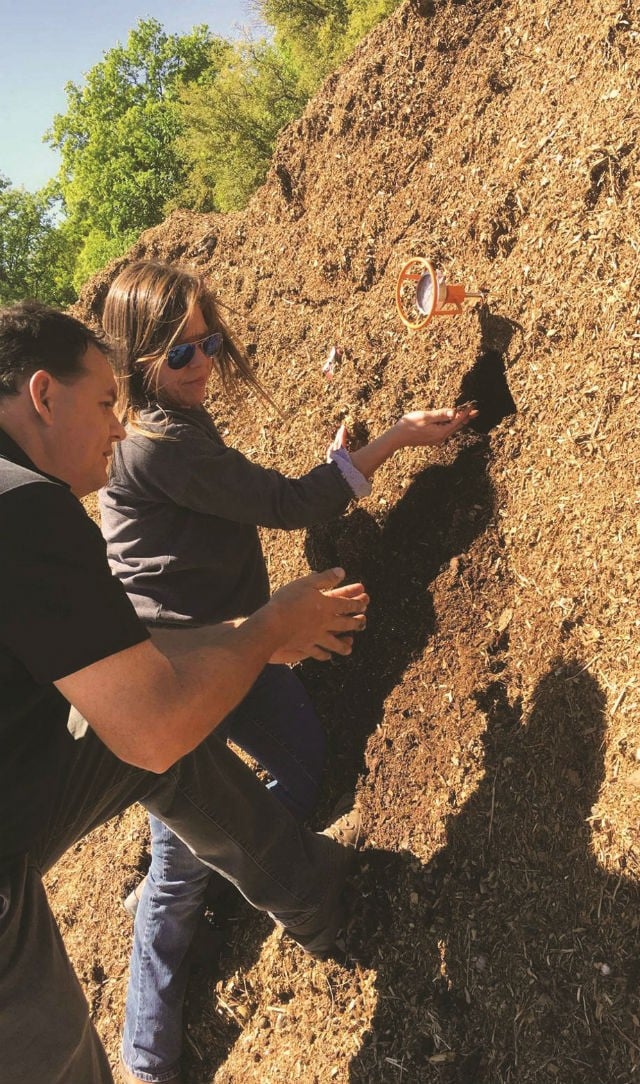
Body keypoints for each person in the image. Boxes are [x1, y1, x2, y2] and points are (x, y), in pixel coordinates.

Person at [98, 259, 477, 1084]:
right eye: (181, 353)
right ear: (138, 364)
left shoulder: (175, 423)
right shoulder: (156, 443)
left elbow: (259, 500)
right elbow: (285, 506)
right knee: (175, 864)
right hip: (184, 666)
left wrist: (331, 471)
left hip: (241, 637)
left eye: (210, 340)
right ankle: (147, 1060)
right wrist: (398, 439)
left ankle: (216, 854)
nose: (203, 362)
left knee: (301, 759)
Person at [0, 299, 371, 1084]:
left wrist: (252, 634)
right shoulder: (22, 506)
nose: (116, 425)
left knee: (167, 754)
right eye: (104, 404)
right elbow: (154, 721)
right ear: (42, 395)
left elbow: (127, 670)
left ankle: (316, 896)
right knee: (63, 1063)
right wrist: (268, 630)